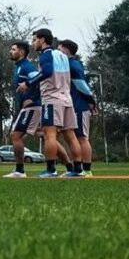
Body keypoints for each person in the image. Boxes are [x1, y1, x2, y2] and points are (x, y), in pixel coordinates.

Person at [19, 28, 84, 178]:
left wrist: (27, 84)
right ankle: (78, 170)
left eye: (35, 39)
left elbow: (47, 71)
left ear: (42, 40)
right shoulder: (62, 55)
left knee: (49, 135)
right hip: (67, 99)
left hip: (52, 99)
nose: (33, 43)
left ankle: (50, 170)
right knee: (71, 136)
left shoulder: (46, 54)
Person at [59, 39, 98, 177]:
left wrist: (91, 101)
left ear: (66, 50)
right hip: (69, 105)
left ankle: (87, 169)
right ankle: (77, 169)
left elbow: (82, 86)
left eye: (60, 48)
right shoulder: (66, 65)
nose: (58, 51)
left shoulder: (74, 65)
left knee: (82, 137)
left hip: (79, 106)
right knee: (72, 138)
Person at [5, 41, 41, 178]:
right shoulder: (18, 67)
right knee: (45, 135)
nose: (10, 51)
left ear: (21, 52)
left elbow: (38, 80)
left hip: (32, 106)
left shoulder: (27, 66)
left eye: (13, 49)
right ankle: (68, 165)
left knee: (15, 135)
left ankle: (20, 171)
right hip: (27, 107)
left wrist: (32, 97)